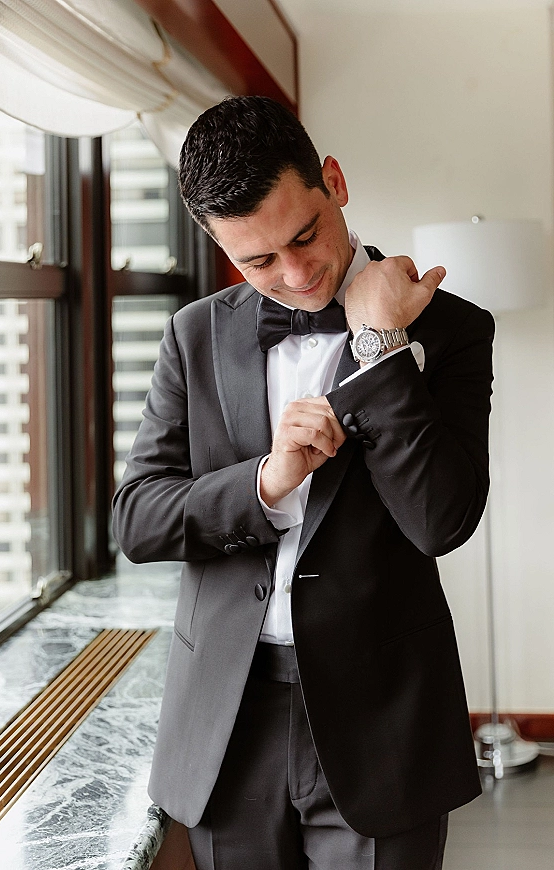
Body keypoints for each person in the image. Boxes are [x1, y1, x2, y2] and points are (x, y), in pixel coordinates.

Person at [112, 96, 494, 870]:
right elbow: (137, 519)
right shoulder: (194, 334)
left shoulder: (452, 329)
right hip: (227, 719)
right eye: (258, 261)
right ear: (218, 246)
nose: (295, 274)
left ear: (334, 180)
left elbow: (440, 521)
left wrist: (383, 349)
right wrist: (267, 480)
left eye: (305, 235)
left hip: (382, 720)